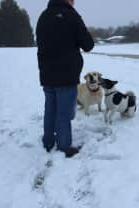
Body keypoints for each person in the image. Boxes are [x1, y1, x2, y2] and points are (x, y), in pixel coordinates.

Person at [36, 0, 94, 158]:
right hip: (66, 75)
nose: (74, 2)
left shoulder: (43, 16)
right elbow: (88, 44)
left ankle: (48, 142)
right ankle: (64, 147)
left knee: (50, 109)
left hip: (47, 74)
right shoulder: (72, 16)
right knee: (64, 113)